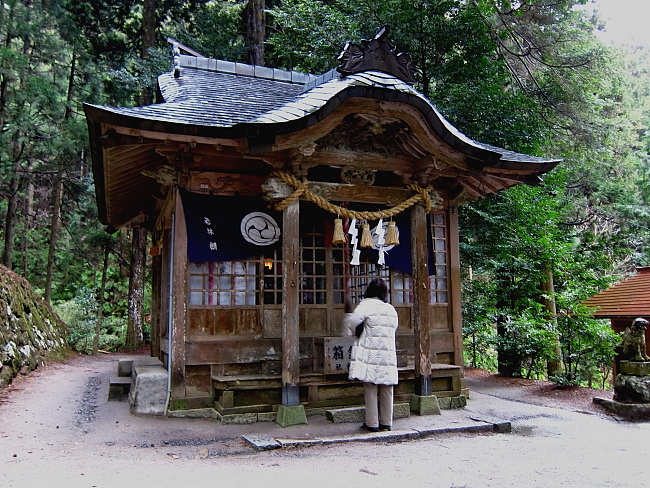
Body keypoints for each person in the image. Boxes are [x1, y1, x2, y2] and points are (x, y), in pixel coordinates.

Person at [344, 278, 398, 432]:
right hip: (387, 353)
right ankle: (386, 422)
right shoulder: (390, 309)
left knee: (371, 386)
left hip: (370, 352)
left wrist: (359, 331)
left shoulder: (365, 305)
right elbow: (394, 328)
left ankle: (372, 423)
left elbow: (352, 322)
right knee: (387, 387)